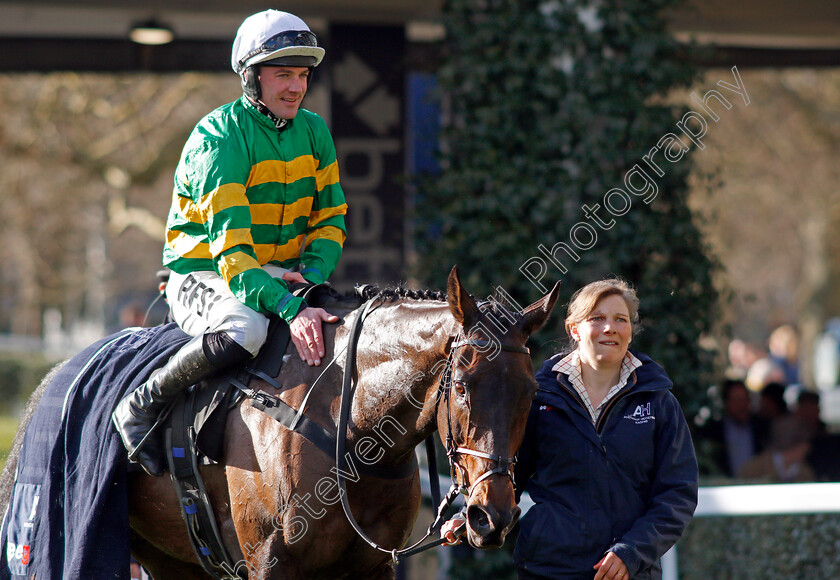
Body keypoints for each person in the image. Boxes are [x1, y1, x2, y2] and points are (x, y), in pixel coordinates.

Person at [112, 9, 347, 476]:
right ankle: (142, 402)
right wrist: (291, 307)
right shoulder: (218, 137)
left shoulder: (315, 131)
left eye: (301, 75)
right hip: (204, 271)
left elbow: (331, 220)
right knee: (246, 330)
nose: (296, 87)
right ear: (250, 78)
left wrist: (311, 279)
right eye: (283, 75)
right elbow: (234, 255)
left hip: (271, 272)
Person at [457, 278, 698, 579]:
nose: (610, 328)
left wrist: (632, 551)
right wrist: (465, 515)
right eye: (597, 318)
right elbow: (507, 473)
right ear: (574, 329)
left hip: (631, 574)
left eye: (620, 320)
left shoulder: (659, 402)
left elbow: (677, 495)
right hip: (548, 569)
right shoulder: (539, 398)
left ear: (630, 332)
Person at [695, 378, 766, 478]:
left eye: (744, 399)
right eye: (737, 400)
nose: (741, 405)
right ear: (726, 402)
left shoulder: (761, 427)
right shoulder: (713, 431)